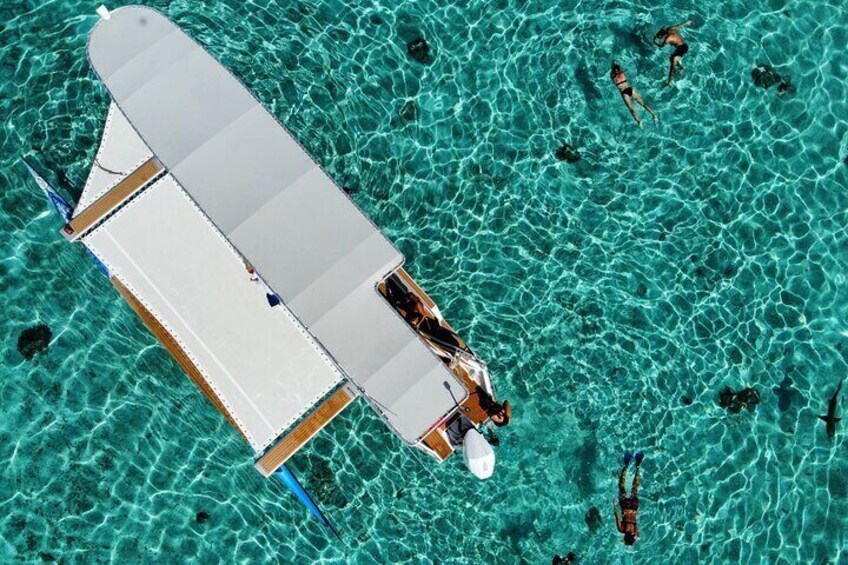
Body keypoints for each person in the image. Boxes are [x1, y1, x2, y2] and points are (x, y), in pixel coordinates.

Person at [610, 62, 658, 128]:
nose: (617, 70)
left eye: (616, 69)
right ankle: (646, 118)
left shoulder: (617, 74)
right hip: (627, 90)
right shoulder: (617, 74)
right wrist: (615, 66)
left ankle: (646, 118)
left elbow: (616, 71)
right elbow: (617, 70)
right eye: (616, 69)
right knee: (637, 106)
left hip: (627, 90)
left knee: (637, 106)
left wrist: (614, 66)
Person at [614, 452, 643, 545]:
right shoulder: (621, 529)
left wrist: (635, 538)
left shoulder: (635, 530)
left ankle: (638, 466)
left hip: (634, 505)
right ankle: (626, 464)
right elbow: (617, 515)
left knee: (635, 487)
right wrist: (615, 505)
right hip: (625, 505)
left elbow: (637, 535)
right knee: (621, 486)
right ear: (625, 537)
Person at [654, 20, 693, 87]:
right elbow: (679, 26)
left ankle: (670, 81)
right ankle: (680, 67)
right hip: (684, 46)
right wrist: (686, 23)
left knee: (673, 62)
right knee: (671, 58)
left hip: (682, 48)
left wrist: (655, 42)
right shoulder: (670, 29)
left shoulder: (667, 39)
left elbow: (661, 46)